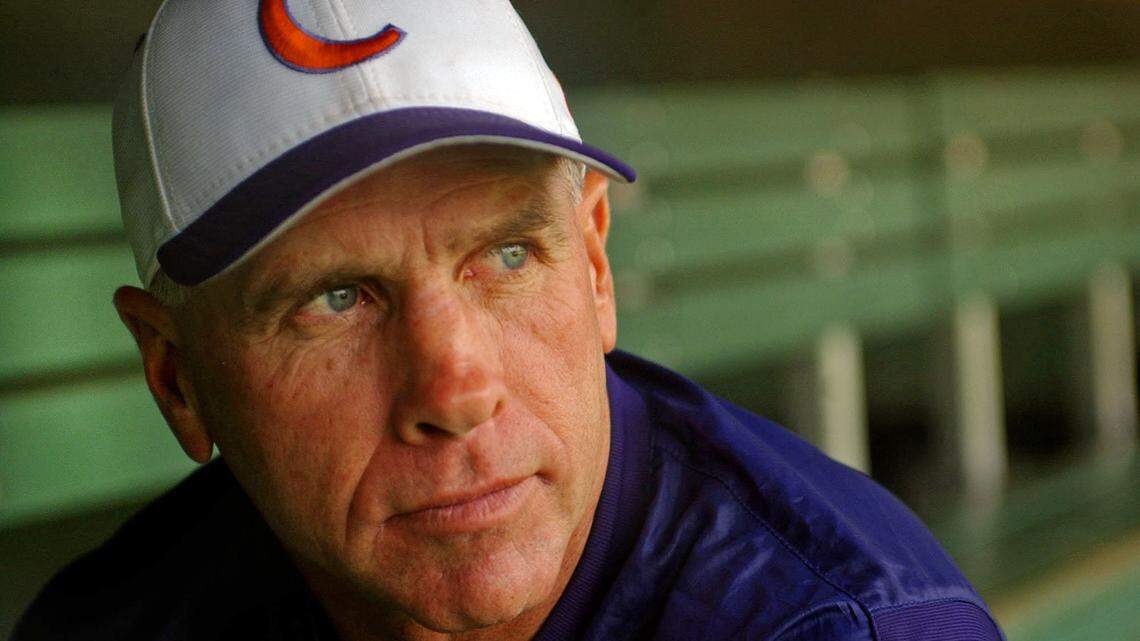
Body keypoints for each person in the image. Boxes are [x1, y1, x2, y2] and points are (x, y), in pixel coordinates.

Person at [16, 1, 1005, 640]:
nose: (454, 388)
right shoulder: (116, 623)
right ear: (178, 379)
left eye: (506, 254)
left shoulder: (836, 627)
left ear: (596, 265)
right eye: (335, 298)